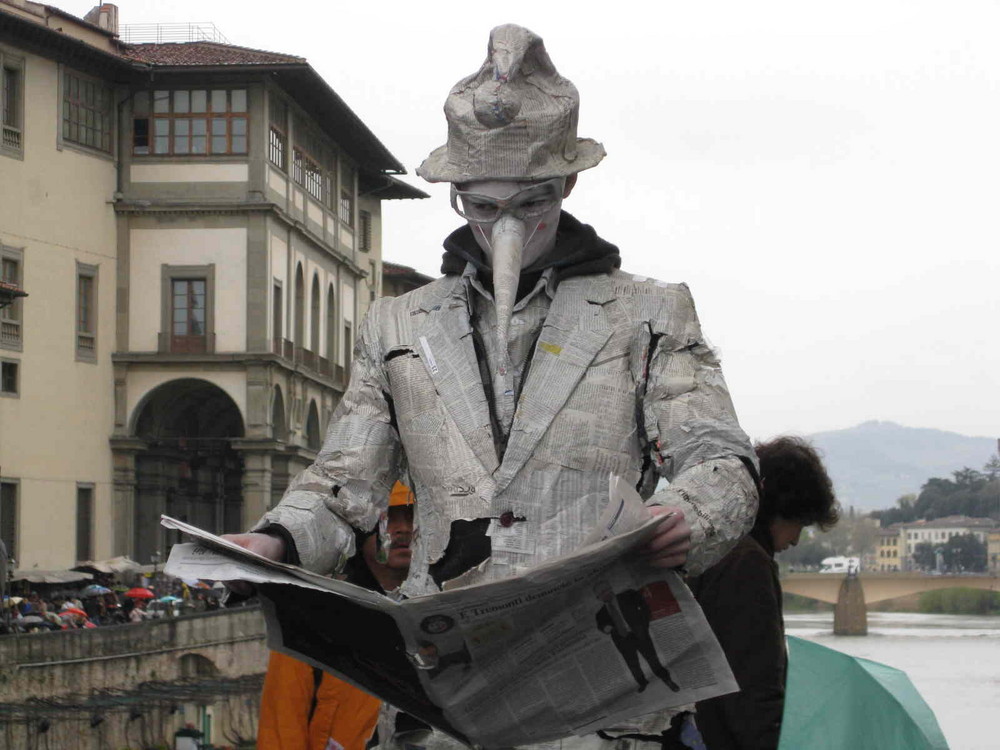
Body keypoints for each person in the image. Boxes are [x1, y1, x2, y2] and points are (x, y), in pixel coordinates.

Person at [226, 23, 758, 748]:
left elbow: (720, 456)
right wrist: (277, 542)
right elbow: (343, 482)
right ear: (457, 196)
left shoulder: (649, 313)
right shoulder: (397, 325)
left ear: (567, 186)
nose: (506, 224)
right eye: (482, 205)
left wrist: (687, 516)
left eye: (531, 201)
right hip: (441, 702)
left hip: (602, 705)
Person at [687, 436, 838, 750]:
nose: (796, 539)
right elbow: (754, 684)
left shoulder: (715, 547)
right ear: (784, 508)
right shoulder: (747, 564)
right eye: (801, 522)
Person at [257, 482, 415, 750]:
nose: (402, 529)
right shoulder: (312, 618)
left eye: (412, 517)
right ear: (360, 532)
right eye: (389, 519)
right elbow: (283, 725)